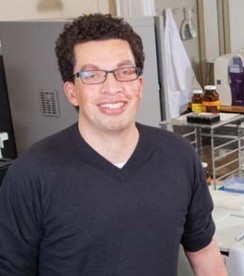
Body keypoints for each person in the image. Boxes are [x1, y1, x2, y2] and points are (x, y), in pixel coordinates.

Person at [0, 13, 227, 276]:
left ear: (139, 85)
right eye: (92, 75)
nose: (112, 87)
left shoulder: (179, 157)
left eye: (124, 71)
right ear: (72, 92)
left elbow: (204, 253)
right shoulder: (31, 175)